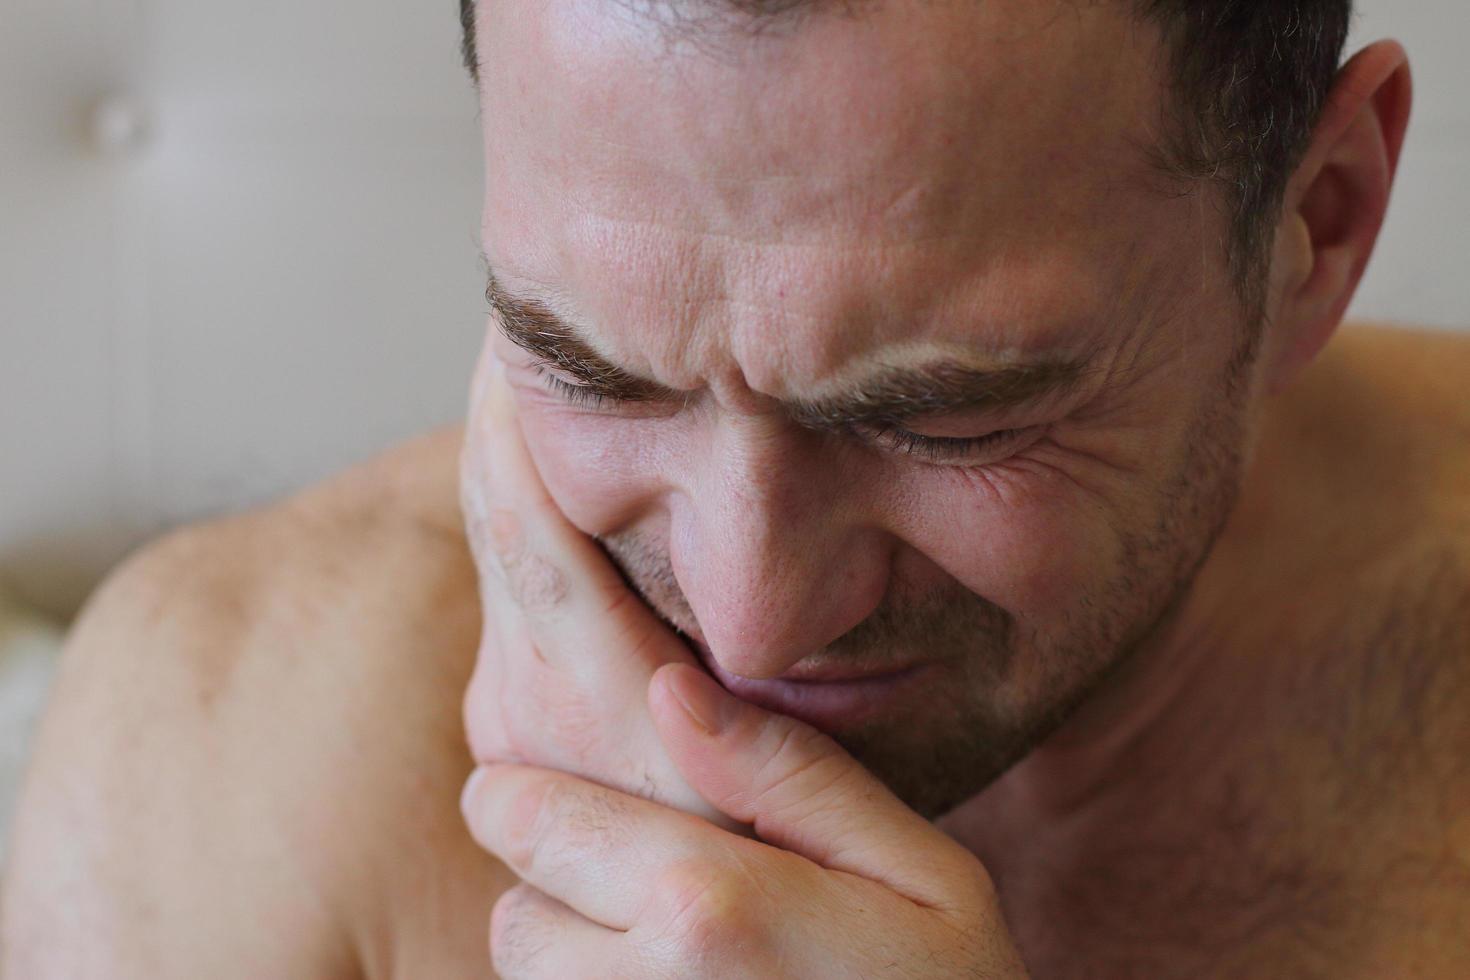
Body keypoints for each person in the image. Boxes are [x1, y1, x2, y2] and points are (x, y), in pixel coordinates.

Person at [4, 0, 1468, 976]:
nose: (748, 622)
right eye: (590, 370)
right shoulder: (223, 730)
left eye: (945, 419)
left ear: (1315, 225)